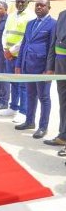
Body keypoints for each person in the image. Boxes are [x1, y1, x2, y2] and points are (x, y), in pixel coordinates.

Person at [15, 0, 56, 138]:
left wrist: (49, 68)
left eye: (42, 5)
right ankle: (29, 121)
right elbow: (24, 45)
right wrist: (19, 64)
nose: (39, 7)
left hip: (42, 68)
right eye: (37, 5)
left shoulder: (53, 24)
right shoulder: (30, 23)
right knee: (30, 95)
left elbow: (52, 48)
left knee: (44, 97)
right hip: (27, 66)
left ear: (48, 8)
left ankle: (43, 127)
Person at [0, 0, 35, 122]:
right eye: (18, 1)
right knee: (13, 81)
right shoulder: (12, 15)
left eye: (22, 1)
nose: (20, 3)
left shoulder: (31, 16)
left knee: (23, 84)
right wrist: (5, 49)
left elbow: (26, 37)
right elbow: (5, 33)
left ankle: (23, 111)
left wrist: (11, 50)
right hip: (9, 55)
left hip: (21, 55)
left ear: (28, 2)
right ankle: (13, 107)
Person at [44, 9, 66, 147]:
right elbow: (54, 43)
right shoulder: (62, 14)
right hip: (60, 65)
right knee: (63, 101)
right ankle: (63, 135)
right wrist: (50, 67)